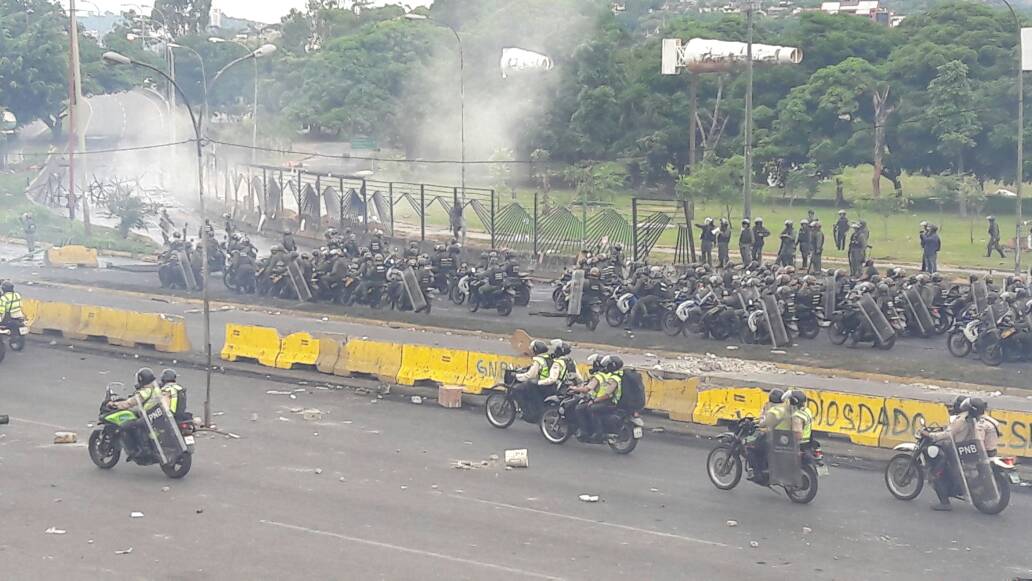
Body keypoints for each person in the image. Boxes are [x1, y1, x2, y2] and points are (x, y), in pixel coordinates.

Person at [922, 398, 993, 511]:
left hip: (957, 451)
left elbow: (948, 434)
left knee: (936, 472)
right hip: (969, 451)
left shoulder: (962, 419)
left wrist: (931, 435)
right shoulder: (978, 419)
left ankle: (944, 503)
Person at [107, 368, 169, 461]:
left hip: (149, 417)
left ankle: (141, 450)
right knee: (135, 416)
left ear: (141, 379)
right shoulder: (157, 388)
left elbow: (129, 403)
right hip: (157, 415)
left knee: (125, 426)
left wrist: (115, 404)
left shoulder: (145, 392)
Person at [573, 355, 623, 442]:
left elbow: (607, 394)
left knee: (586, 408)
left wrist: (594, 400)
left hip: (609, 402)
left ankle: (596, 432)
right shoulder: (617, 375)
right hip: (609, 401)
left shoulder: (613, 379)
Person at [512, 340, 552, 423]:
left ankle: (527, 413)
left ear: (535, 350)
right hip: (548, 385)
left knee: (517, 390)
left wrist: (517, 376)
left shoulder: (538, 360)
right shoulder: (548, 358)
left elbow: (530, 375)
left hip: (539, 385)